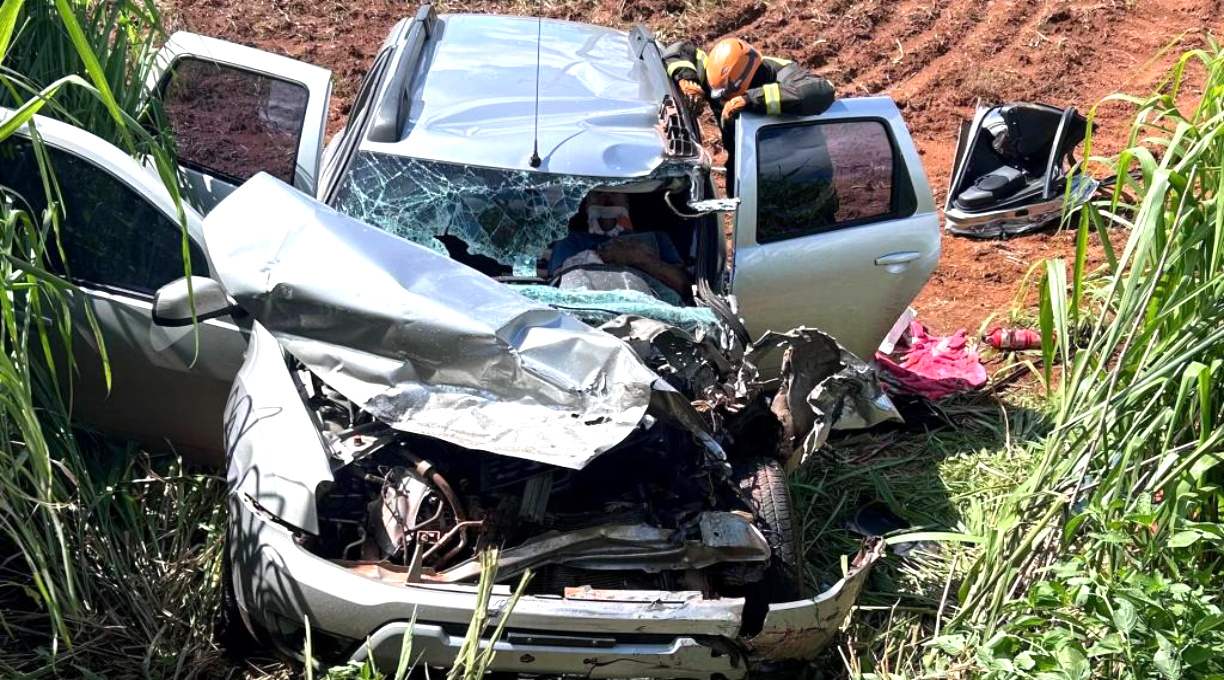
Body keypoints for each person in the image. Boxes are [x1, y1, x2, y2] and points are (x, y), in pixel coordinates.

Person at [662, 37, 835, 192]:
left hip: (802, 173)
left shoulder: (783, 72)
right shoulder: (717, 76)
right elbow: (678, 50)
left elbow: (821, 90)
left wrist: (751, 99)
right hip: (745, 171)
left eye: (728, 96)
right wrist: (686, 77)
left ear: (750, 80)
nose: (723, 102)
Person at [547, 192, 691, 298]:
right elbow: (560, 285)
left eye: (614, 192)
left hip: (650, 313)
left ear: (626, 202)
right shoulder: (570, 240)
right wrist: (597, 257)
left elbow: (683, 286)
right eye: (599, 193)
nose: (606, 196)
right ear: (587, 205)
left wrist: (641, 259)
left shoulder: (656, 238)